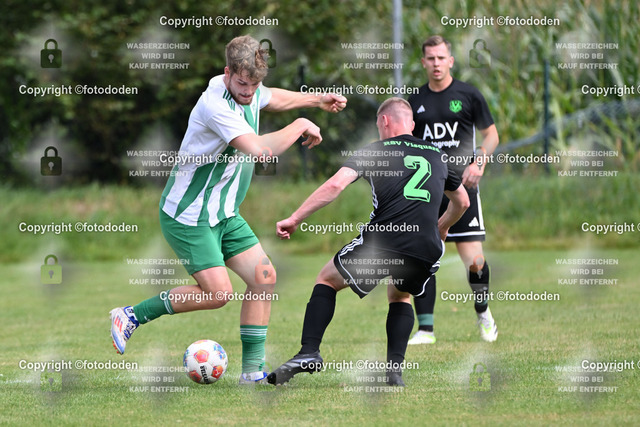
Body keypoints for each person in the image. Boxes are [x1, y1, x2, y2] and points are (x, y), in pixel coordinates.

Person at [110, 35, 347, 384]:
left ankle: (252, 371)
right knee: (218, 293)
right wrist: (300, 124)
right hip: (189, 215)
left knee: (263, 277)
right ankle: (131, 315)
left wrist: (316, 100)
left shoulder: (251, 90)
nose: (249, 92)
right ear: (227, 73)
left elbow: (272, 97)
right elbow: (260, 151)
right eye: (242, 84)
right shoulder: (215, 106)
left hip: (224, 213)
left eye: (254, 84)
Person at [266, 98, 469, 387]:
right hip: (426, 246)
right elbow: (462, 202)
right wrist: (442, 227)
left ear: (384, 121)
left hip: (384, 241)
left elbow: (335, 185)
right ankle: (394, 373)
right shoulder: (437, 154)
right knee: (400, 296)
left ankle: (309, 351)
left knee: (327, 280)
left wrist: (295, 217)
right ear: (411, 124)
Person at [407, 35, 500, 345]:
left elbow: (491, 135)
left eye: (441, 58)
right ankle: (426, 329)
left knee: (474, 261)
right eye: (430, 58)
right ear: (423, 62)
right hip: (425, 191)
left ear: (451, 61)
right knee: (422, 259)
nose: (436, 63)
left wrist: (479, 162)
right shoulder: (414, 101)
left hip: (463, 189)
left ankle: (483, 312)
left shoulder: (468, 95)